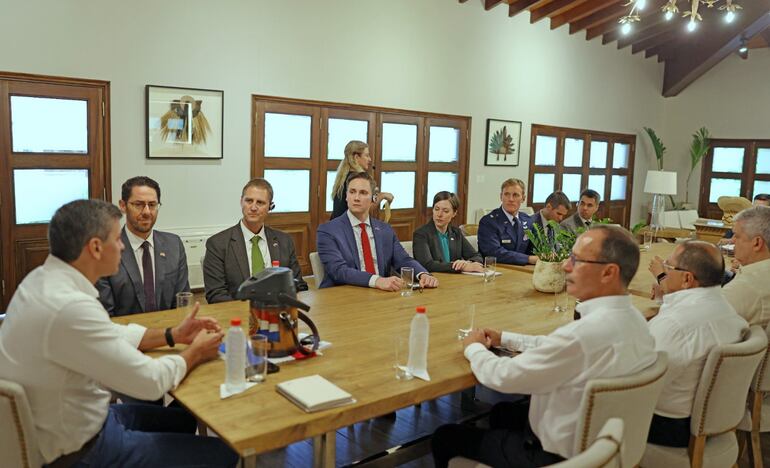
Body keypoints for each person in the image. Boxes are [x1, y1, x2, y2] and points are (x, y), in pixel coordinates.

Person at [0, 200, 237, 467]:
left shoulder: (42, 280)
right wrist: (196, 352)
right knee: (224, 452)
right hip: (82, 451)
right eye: (117, 239)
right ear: (96, 248)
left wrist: (173, 335)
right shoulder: (69, 308)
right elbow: (151, 383)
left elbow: (108, 332)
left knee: (182, 417)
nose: (123, 246)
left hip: (82, 419)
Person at [431, 225, 657, 467]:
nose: (565, 266)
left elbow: (504, 377)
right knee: (502, 413)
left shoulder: (584, 335)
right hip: (599, 439)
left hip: (554, 457)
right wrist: (504, 338)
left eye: (576, 260)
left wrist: (473, 348)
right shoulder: (635, 320)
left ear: (608, 273)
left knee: (446, 436)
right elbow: (556, 347)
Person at [645, 241, 747, 447]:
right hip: (714, 420)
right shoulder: (729, 312)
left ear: (687, 279)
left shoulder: (676, 325)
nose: (664, 271)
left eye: (668, 267)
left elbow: (640, 384)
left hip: (671, 427)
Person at [317, 172, 439, 290]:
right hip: (343, 296)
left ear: (374, 198)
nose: (356, 198)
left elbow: (403, 260)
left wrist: (423, 274)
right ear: (346, 196)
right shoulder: (328, 231)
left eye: (363, 193)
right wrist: (377, 280)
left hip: (380, 295)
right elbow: (338, 271)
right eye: (352, 192)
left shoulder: (385, 230)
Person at [203, 178, 307, 303]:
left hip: (277, 312)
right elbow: (215, 295)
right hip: (238, 315)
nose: (253, 207)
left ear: (270, 206)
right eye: (249, 201)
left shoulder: (284, 241)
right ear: (241, 202)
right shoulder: (218, 244)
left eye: (260, 203)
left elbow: (299, 285)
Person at [97, 176, 190, 316]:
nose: (147, 212)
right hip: (124, 334)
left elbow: (182, 303)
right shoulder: (105, 249)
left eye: (152, 205)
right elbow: (105, 313)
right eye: (138, 204)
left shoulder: (173, 245)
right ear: (123, 206)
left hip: (169, 332)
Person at [721, 205, 770, 326]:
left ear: (757, 243)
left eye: (737, 236)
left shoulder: (744, 288)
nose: (732, 241)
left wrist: (664, 277)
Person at [412, 191, 483, 273]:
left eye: (445, 211)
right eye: (436, 209)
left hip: (455, 280)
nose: (439, 214)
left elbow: (476, 256)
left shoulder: (456, 232)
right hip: (435, 280)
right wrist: (459, 267)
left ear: (454, 213)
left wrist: (467, 263)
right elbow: (427, 264)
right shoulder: (421, 234)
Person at [477, 178, 538, 266]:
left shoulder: (527, 221)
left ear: (523, 198)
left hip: (523, 270)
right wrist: (527, 259)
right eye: (506, 194)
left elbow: (536, 248)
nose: (511, 199)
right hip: (498, 269)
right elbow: (494, 252)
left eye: (515, 195)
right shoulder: (488, 222)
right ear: (501, 196)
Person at [329, 140, 393, 219]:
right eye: (366, 155)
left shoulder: (345, 176)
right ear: (356, 157)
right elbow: (364, 208)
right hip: (346, 228)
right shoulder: (357, 179)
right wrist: (383, 196)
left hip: (336, 225)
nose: (369, 159)